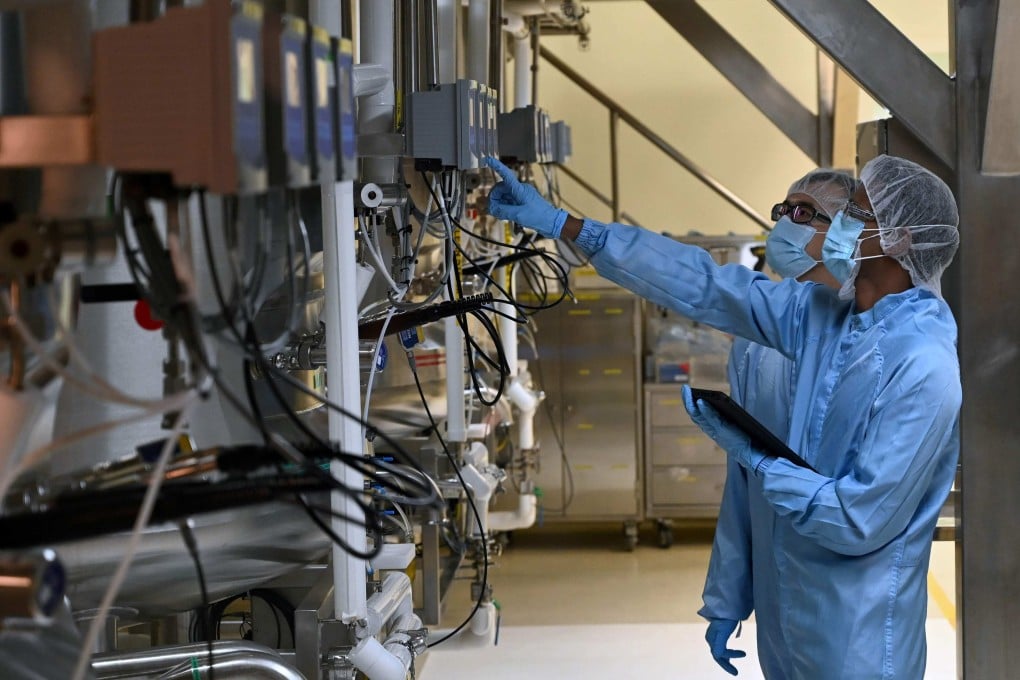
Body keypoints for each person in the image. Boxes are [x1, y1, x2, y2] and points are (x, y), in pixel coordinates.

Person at [485, 154, 961, 679]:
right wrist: (567, 226)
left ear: (898, 240)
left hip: (862, 641)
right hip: (787, 620)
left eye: (858, 213)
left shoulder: (923, 365)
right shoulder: (822, 318)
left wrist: (757, 458)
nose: (843, 221)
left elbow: (857, 520)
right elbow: (707, 285)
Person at [702, 169, 856, 677]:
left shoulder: (870, 334)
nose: (786, 223)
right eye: (784, 210)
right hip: (777, 592)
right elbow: (741, 483)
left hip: (852, 597)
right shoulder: (755, 342)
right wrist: (727, 597)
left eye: (805, 213)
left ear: (847, 231)